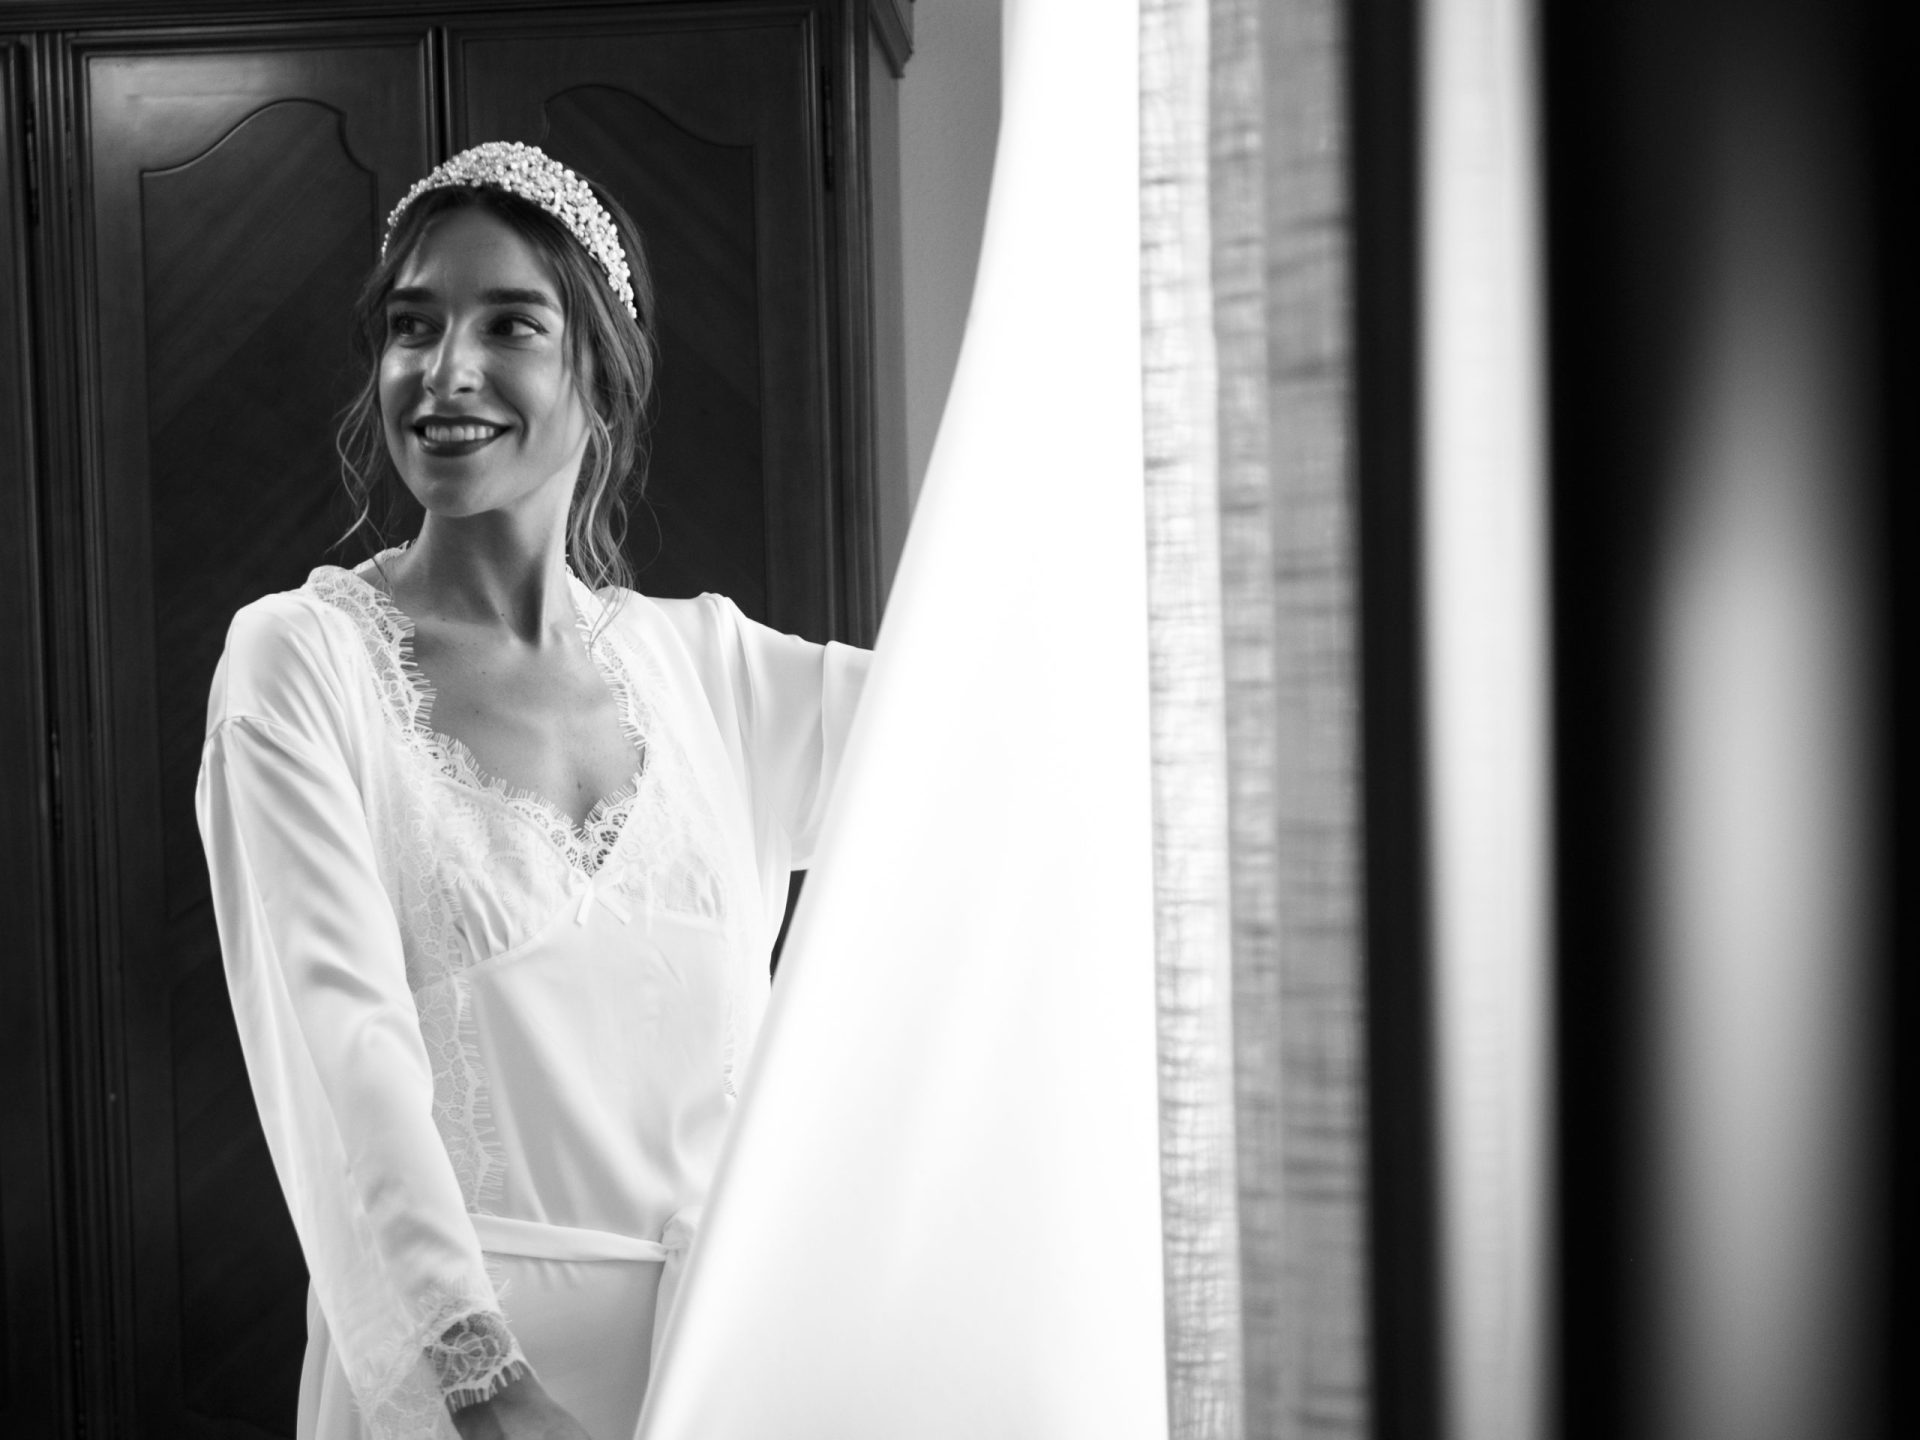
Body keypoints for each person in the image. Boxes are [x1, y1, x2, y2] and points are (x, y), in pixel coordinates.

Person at [196, 142, 871, 1440]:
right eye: (412, 326)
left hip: (723, 1373)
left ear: (602, 375)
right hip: (460, 1389)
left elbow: (1004, 732)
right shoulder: (300, 662)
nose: (445, 371)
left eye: (511, 323)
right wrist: (481, 1383)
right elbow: (348, 1055)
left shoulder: (720, 672)